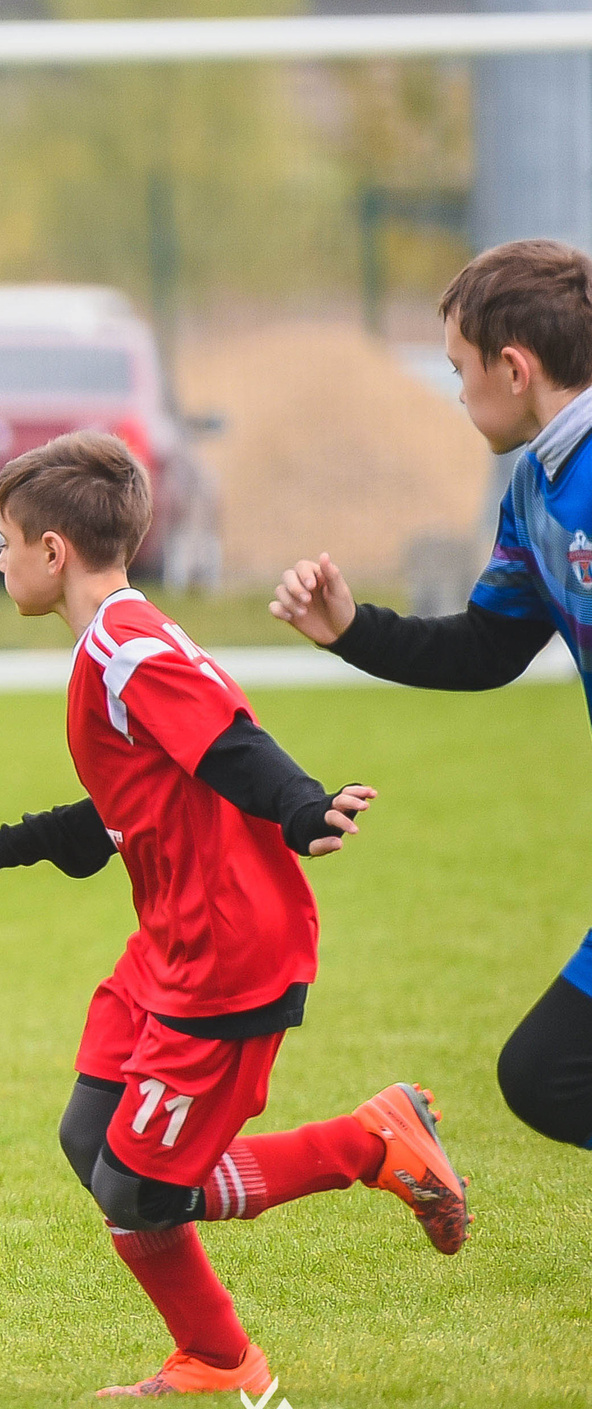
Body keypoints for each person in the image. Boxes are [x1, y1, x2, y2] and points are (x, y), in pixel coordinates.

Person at [0, 431, 468, 1400]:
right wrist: (3, 843)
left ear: (54, 552)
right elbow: (124, 807)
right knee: (92, 1141)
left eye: (9, 540)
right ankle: (218, 1352)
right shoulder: (122, 640)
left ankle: (357, 1161)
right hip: (168, 942)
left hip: (230, 948)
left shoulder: (126, 648)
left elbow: (232, 744)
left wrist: (303, 807)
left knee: (137, 1191)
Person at [273, 238, 592, 1154]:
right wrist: (349, 628)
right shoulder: (535, 487)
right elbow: (491, 646)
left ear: (515, 367)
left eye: (460, 368)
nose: (456, 392)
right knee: (543, 1075)